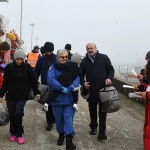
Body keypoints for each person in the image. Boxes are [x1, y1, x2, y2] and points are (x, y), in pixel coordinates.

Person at [0, 49, 40, 145]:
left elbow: (33, 81)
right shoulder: (9, 67)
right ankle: (13, 133)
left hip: (22, 95)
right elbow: (5, 82)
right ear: (14, 58)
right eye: (17, 59)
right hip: (11, 95)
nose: (19, 61)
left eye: (21, 59)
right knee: (12, 114)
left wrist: (37, 92)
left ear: (24, 59)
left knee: (18, 113)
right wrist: (1, 95)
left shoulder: (27, 67)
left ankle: (19, 134)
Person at [80, 42, 114, 141]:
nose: (90, 50)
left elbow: (111, 70)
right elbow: (80, 76)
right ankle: (93, 127)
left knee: (103, 111)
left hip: (104, 90)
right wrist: (83, 83)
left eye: (91, 48)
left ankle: (102, 133)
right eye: (88, 49)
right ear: (86, 50)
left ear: (96, 48)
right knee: (92, 111)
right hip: (91, 90)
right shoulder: (84, 61)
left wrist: (109, 78)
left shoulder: (104, 58)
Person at [47, 49, 80, 149]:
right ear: (57, 57)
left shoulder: (73, 66)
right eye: (62, 57)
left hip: (69, 99)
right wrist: (61, 87)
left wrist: (70, 87)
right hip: (57, 100)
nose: (65, 59)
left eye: (66, 57)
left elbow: (77, 78)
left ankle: (69, 141)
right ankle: (61, 135)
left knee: (68, 118)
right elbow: (50, 80)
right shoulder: (53, 68)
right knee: (59, 119)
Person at [34, 42, 56, 131]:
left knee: (55, 103)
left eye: (50, 51)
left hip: (55, 85)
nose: (49, 53)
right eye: (47, 51)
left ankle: (54, 118)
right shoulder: (41, 59)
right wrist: (34, 82)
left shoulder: (56, 58)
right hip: (45, 86)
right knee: (47, 104)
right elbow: (36, 71)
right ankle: (49, 122)